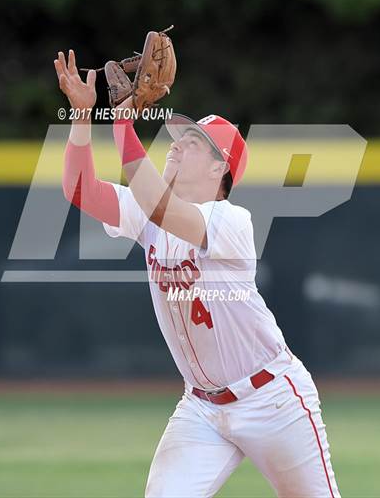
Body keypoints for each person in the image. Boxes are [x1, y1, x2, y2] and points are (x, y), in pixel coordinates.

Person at [55, 49, 340, 498]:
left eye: (193, 143)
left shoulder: (231, 221)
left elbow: (162, 208)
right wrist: (81, 115)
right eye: (178, 137)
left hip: (274, 400)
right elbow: (79, 189)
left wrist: (122, 126)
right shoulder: (146, 213)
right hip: (201, 409)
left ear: (218, 168)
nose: (176, 144)